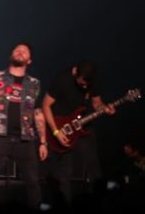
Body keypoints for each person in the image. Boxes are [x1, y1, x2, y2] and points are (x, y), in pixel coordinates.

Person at [0, 42, 47, 209]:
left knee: (33, 182)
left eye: (24, 51)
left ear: (29, 60)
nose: (20, 52)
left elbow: (38, 113)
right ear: (11, 55)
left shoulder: (34, 83)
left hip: (25, 139)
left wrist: (43, 142)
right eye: (17, 50)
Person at [39, 61, 113, 206]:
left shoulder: (92, 81)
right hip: (61, 128)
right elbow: (45, 105)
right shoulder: (62, 79)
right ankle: (64, 207)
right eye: (82, 83)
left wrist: (105, 108)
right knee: (64, 173)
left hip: (83, 127)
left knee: (94, 168)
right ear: (75, 72)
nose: (85, 86)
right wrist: (56, 132)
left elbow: (97, 103)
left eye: (87, 84)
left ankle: (99, 204)